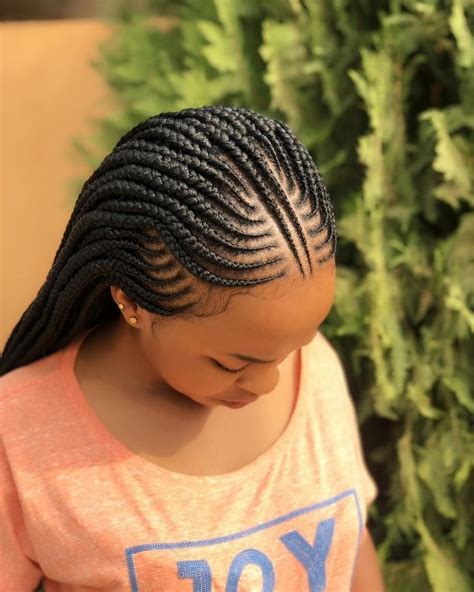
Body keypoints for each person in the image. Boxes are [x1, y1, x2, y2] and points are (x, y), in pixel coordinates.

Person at [0, 106, 385, 591]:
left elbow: (350, 544)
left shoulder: (315, 364)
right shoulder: (19, 435)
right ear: (132, 302)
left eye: (295, 347)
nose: (270, 381)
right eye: (231, 363)